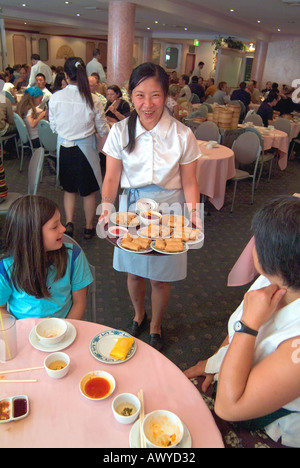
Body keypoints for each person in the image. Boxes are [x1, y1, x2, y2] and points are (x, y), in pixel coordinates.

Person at [98, 62, 202, 351]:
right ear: (131, 95)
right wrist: (106, 207)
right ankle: (138, 314)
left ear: (167, 95)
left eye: (155, 95)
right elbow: (111, 177)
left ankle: (155, 324)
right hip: (132, 209)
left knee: (159, 278)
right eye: (140, 95)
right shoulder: (120, 131)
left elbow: (191, 182)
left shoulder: (183, 135)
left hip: (170, 211)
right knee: (134, 272)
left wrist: (195, 215)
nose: (147, 104)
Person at [184, 195, 300, 448]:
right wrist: (216, 361)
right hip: (236, 379)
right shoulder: (277, 280)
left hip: (271, 427)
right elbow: (234, 332)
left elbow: (229, 407)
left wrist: (249, 324)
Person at [0, 195, 93, 320]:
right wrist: (18, 328)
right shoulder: (6, 267)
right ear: (32, 235)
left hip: (65, 327)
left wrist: (63, 329)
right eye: (55, 226)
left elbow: (79, 302)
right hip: (23, 332)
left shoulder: (73, 257)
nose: (63, 228)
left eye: (60, 222)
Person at [49, 57, 109, 240]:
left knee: (69, 189)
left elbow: (53, 127)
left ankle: (69, 223)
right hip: (85, 152)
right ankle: (89, 227)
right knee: (88, 191)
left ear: (66, 76)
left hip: (65, 149)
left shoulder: (55, 97)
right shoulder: (93, 99)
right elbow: (102, 128)